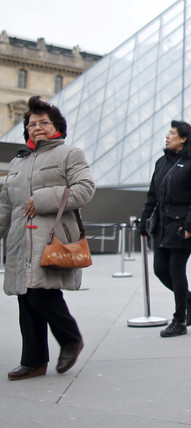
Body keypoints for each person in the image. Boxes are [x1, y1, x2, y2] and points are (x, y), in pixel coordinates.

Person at [2, 96, 95, 380]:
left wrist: (42, 198)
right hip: (20, 239)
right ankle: (33, 361)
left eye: (44, 122)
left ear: (57, 126)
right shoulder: (19, 162)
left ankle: (70, 338)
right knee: (25, 298)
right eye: (32, 123)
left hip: (49, 237)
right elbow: (6, 203)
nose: (37, 127)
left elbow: (86, 188)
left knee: (42, 294)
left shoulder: (69, 154)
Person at [141, 121, 191, 338]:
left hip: (181, 226)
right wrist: (144, 222)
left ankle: (179, 320)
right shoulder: (161, 162)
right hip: (162, 226)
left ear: (183, 138)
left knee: (176, 271)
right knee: (160, 270)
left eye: (172, 133)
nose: (167, 136)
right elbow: (152, 195)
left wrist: (190, 226)